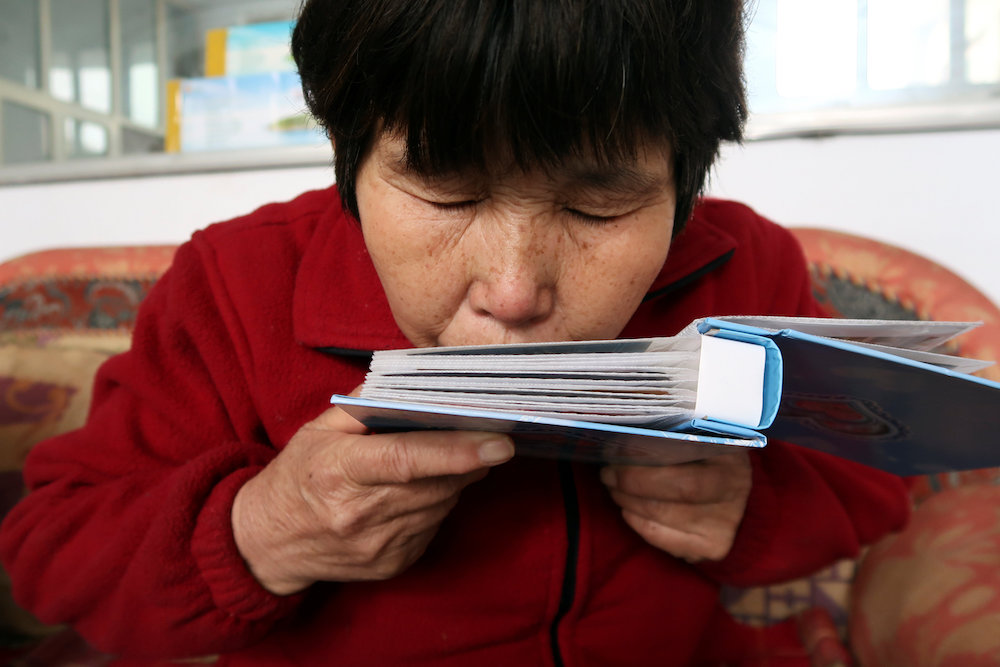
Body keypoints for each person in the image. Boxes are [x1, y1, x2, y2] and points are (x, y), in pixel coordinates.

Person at [0, 0, 910, 665]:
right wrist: (258, 531)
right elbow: (53, 556)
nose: (512, 292)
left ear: (684, 180)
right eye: (446, 193)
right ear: (349, 154)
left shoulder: (746, 267)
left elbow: (875, 476)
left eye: (596, 206)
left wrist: (751, 508)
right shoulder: (234, 286)